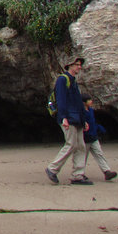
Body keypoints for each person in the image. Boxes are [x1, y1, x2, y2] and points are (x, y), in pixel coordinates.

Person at [45, 57, 92, 185]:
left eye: (80, 65)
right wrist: (63, 117)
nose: (79, 67)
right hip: (69, 118)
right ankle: (52, 169)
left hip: (77, 118)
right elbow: (61, 100)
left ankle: (78, 175)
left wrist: (84, 120)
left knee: (81, 146)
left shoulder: (74, 81)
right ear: (70, 65)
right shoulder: (63, 80)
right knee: (71, 144)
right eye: (77, 64)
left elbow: (78, 103)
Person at [82, 94, 118, 181]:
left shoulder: (90, 110)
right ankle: (79, 173)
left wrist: (98, 128)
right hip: (85, 138)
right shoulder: (81, 113)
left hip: (93, 137)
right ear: (84, 103)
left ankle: (106, 171)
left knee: (99, 154)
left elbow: (93, 122)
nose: (91, 101)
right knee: (82, 157)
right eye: (89, 100)